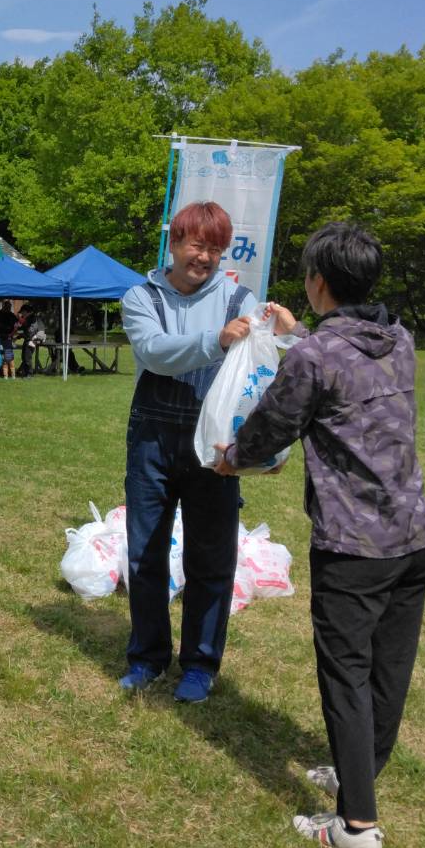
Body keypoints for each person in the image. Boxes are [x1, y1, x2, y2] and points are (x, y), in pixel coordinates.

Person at [214, 222, 425, 848]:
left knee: (347, 674)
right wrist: (295, 334)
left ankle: (357, 828)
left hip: (355, 548)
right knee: (389, 669)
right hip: (415, 538)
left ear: (317, 282)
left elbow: (273, 424)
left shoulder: (314, 357)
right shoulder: (399, 338)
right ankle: (360, 770)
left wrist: (234, 459)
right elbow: (345, 362)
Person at [118, 200, 293, 704]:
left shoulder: (240, 297)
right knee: (146, 551)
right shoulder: (140, 296)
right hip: (152, 437)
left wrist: (284, 333)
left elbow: (264, 363)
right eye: (197, 245)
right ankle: (147, 657)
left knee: (211, 556)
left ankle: (199, 664)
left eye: (216, 249)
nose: (206, 258)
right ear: (174, 243)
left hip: (216, 442)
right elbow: (152, 352)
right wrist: (216, 341)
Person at [17, 305, 47, 377]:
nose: (22, 314)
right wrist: (19, 335)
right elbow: (24, 330)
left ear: (26, 311)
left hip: (31, 341)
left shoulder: (32, 319)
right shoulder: (29, 318)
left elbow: (29, 331)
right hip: (28, 340)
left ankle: (29, 374)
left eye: (22, 312)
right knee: (24, 357)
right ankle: (24, 372)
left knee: (27, 358)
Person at [0, 301, 18, 379]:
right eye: (7, 306)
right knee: (2, 356)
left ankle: (10, 375)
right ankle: (4, 373)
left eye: (9, 307)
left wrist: (12, 334)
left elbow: (16, 326)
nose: (8, 308)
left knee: (8, 357)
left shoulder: (12, 315)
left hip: (8, 337)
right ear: (3, 306)